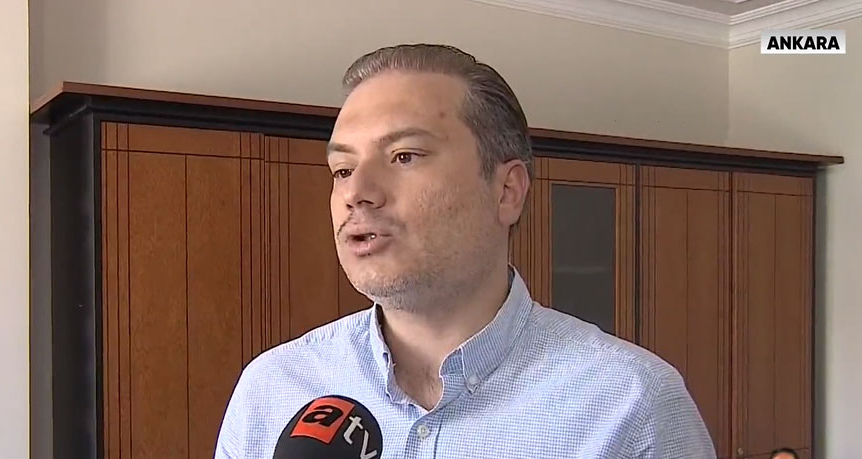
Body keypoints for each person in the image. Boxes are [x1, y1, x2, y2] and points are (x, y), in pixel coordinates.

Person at [214, 43, 715, 458]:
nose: (356, 192)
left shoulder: (632, 405)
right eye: (342, 169)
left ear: (506, 191)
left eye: (403, 156)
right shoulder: (272, 390)